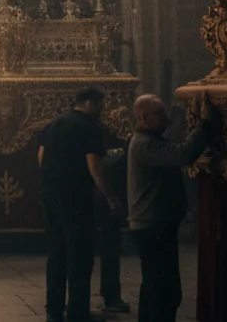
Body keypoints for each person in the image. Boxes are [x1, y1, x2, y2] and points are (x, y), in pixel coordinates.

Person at [37, 87, 123, 322]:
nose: (101, 112)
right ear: (89, 103)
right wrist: (111, 197)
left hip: (50, 194)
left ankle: (53, 311)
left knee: (56, 255)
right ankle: (78, 312)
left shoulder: (53, 123)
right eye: (100, 106)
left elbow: (41, 157)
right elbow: (94, 164)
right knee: (79, 256)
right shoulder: (90, 127)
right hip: (75, 197)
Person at [127, 94, 215, 322]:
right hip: (152, 225)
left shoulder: (150, 140)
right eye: (161, 113)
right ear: (144, 117)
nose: (167, 118)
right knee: (163, 291)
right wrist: (204, 124)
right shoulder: (145, 144)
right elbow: (182, 154)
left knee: (155, 287)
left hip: (154, 224)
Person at [94, 123, 131, 314]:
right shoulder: (115, 153)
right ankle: (111, 296)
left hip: (89, 202)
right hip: (103, 204)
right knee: (109, 250)